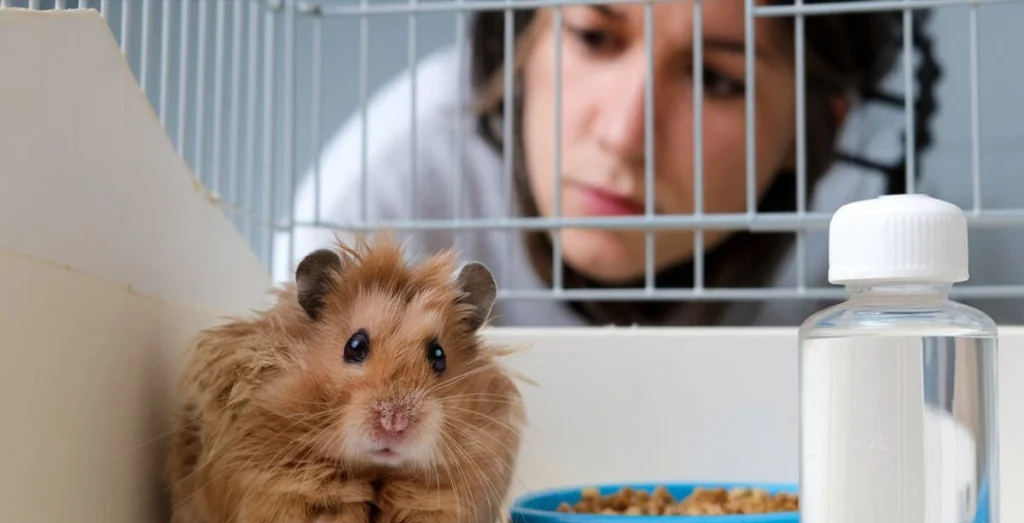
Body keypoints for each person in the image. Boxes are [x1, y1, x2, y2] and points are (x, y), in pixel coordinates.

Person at [286, 1, 918, 327]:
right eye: (593, 37)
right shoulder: (382, 199)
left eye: (717, 79)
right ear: (521, 38)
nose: (624, 135)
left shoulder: (867, 239)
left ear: (818, 128)